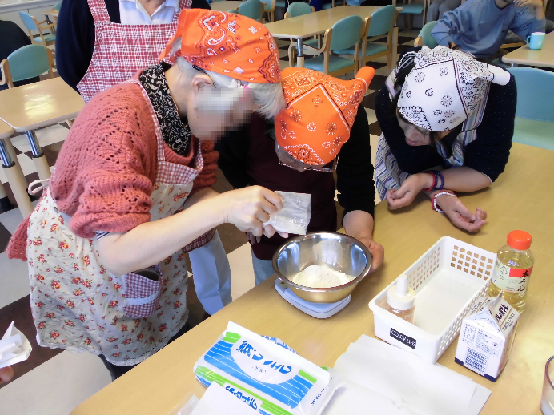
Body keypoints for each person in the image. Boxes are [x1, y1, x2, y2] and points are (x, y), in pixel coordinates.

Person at [6, 9, 285, 379]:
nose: (233, 127)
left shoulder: (191, 117)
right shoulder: (120, 121)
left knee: (164, 325)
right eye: (235, 115)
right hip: (95, 254)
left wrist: (226, 207)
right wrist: (221, 207)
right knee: (134, 363)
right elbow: (118, 253)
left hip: (146, 240)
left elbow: (195, 189)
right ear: (201, 87)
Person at [56, 0, 231, 318]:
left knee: (180, 253)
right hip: (112, 165)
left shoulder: (192, 10)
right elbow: (72, 69)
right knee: (123, 296)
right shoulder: (86, 8)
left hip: (174, 145)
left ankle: (206, 314)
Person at [217, 67, 385, 285]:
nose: (299, 170)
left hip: (319, 218)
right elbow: (230, 164)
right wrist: (249, 200)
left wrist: (363, 237)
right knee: (269, 288)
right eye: (290, 158)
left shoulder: (348, 114)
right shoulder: (243, 117)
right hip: (266, 229)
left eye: (316, 165)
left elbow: (357, 188)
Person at [374, 46, 516, 232]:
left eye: (426, 131)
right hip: (408, 170)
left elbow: (485, 169)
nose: (409, 136)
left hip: (460, 172)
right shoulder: (390, 95)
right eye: (404, 120)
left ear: (455, 125)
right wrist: (441, 194)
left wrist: (428, 182)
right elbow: (412, 163)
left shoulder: (496, 95)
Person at [55, 0, 210, 99]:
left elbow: (207, 69)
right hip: (112, 133)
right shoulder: (82, 5)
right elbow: (71, 69)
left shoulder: (197, 5)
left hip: (183, 138)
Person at [432, 0, 545, 60]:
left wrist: (539, 6)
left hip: (487, 61)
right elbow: (439, 29)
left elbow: (535, 42)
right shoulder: (475, 6)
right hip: (464, 60)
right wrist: (456, 53)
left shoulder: (515, 8)